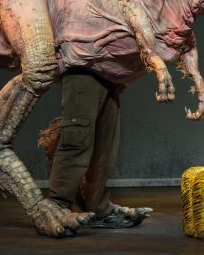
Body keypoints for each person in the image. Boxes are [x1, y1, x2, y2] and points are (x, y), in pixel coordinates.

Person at [48, 69, 151, 236]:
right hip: (83, 69)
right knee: (76, 142)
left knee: (105, 149)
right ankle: (56, 209)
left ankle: (98, 209)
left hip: (109, 75)